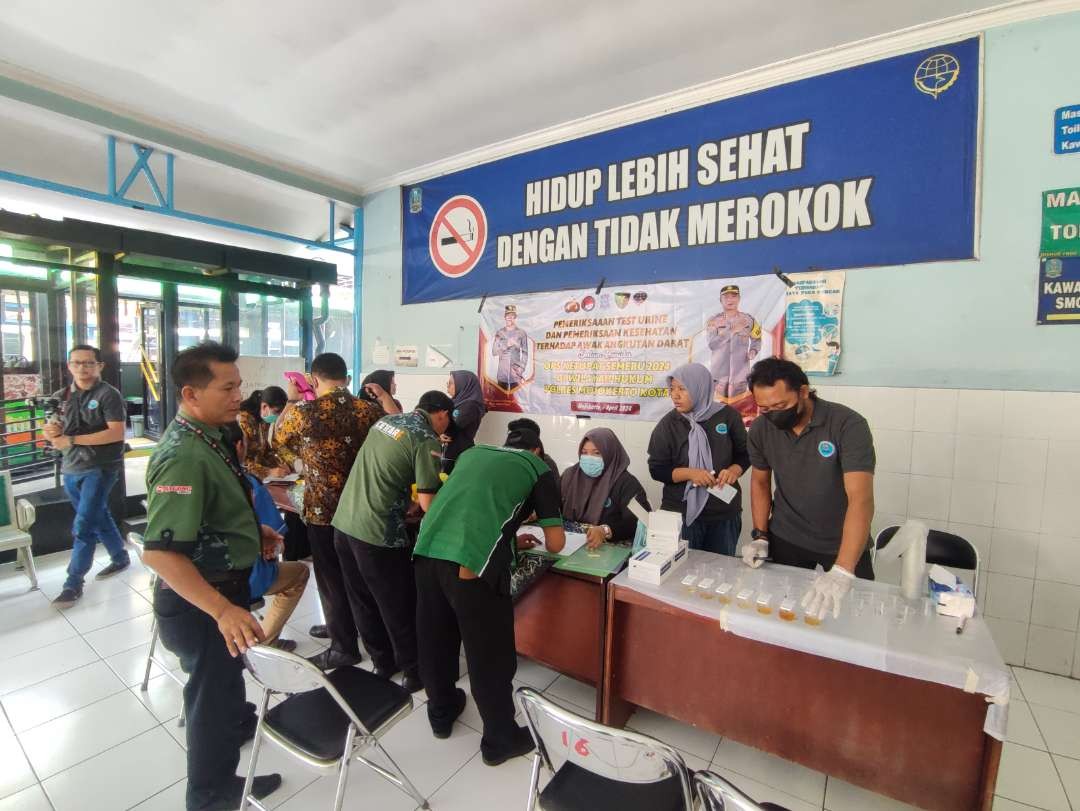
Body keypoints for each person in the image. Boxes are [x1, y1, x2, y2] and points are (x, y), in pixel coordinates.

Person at [141, 342, 282, 811]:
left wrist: (251, 526)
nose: (238, 394)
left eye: (239, 384)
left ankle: (232, 739)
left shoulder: (212, 436)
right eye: (227, 387)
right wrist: (222, 610)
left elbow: (213, 508)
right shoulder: (183, 455)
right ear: (190, 393)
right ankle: (210, 796)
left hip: (226, 589)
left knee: (224, 690)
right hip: (203, 604)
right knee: (210, 699)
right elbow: (161, 554)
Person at [413, 427, 564, 766]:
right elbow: (555, 543)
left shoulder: (473, 453)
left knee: (436, 638)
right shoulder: (539, 470)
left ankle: (441, 712)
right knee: (489, 654)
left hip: (427, 552)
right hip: (472, 566)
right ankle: (500, 739)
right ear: (538, 450)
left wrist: (510, 537)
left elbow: (468, 505)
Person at [331, 391, 453, 692]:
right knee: (397, 603)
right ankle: (414, 672)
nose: (446, 427)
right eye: (447, 419)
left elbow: (385, 473)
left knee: (362, 600)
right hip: (377, 534)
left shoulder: (388, 421)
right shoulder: (426, 439)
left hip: (345, 523)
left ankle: (383, 663)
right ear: (441, 414)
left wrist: (404, 500)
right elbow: (428, 503)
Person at [272, 353, 383, 669]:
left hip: (323, 510)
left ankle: (343, 645)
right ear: (346, 378)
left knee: (331, 579)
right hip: (361, 507)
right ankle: (353, 629)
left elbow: (279, 444)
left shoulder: (304, 413)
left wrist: (293, 401)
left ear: (313, 380)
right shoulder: (369, 411)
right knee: (358, 577)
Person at [743, 357, 876, 621]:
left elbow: (860, 499)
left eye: (781, 405)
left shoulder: (847, 425)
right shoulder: (761, 429)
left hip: (842, 543)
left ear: (803, 392)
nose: (774, 414)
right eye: (765, 408)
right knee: (783, 615)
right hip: (787, 538)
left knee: (852, 620)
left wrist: (844, 570)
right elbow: (760, 482)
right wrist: (761, 535)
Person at [44, 345, 131, 607]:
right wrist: (50, 431)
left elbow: (116, 433)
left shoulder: (109, 395)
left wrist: (70, 439)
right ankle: (120, 557)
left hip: (101, 467)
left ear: (99, 366)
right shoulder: (61, 397)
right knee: (97, 515)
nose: (82, 368)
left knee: (83, 525)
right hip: (71, 468)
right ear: (69, 366)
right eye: (77, 363)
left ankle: (73, 583)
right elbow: (51, 433)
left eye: (88, 363)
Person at [221, 421, 310, 653]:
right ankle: (265, 642)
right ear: (240, 446)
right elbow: (275, 533)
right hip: (244, 578)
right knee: (300, 573)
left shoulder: (205, 480)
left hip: (204, 582)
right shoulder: (248, 483)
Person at [648, 363, 749, 556]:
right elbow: (657, 469)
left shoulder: (728, 417)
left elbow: (745, 454)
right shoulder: (669, 424)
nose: (675, 395)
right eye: (672, 389)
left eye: (682, 389)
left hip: (723, 513)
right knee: (679, 574)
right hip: (680, 514)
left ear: (700, 388)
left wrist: (734, 470)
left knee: (719, 573)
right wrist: (690, 474)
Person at [560, 428, 651, 547]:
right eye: (584, 452)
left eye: (597, 453)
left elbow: (638, 521)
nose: (589, 458)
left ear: (610, 453)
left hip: (608, 547)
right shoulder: (570, 475)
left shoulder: (626, 483)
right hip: (568, 543)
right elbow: (554, 505)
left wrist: (605, 530)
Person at [706, 284, 762, 400]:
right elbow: (712, 344)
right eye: (726, 297)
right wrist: (731, 330)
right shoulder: (713, 321)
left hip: (740, 377)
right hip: (719, 378)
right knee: (719, 410)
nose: (730, 300)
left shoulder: (749, 320)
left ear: (739, 298)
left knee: (738, 409)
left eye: (733, 296)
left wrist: (753, 350)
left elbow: (757, 338)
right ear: (720, 300)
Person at [237, 386, 292, 480]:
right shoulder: (242, 420)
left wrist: (280, 464)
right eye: (277, 412)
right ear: (264, 406)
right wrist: (268, 471)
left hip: (262, 477)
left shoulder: (264, 421)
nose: (278, 416)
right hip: (247, 477)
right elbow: (241, 461)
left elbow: (266, 450)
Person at [443, 370, 486, 473]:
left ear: (463, 385)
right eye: (448, 383)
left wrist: (437, 432)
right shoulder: (456, 402)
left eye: (451, 383)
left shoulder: (470, 406)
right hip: (449, 452)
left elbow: (450, 429)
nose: (448, 386)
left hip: (457, 454)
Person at [492, 304, 529, 389]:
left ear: (515, 317)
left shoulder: (521, 333)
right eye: (508, 315)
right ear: (505, 317)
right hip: (502, 374)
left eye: (512, 315)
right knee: (501, 400)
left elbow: (525, 353)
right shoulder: (500, 333)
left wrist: (521, 368)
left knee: (515, 400)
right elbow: (494, 352)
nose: (509, 317)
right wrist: (506, 344)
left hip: (515, 374)